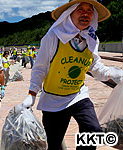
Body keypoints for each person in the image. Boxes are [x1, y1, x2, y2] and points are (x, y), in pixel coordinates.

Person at [21, 1, 123, 149]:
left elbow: (94, 66)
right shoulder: (52, 37)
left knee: (93, 132)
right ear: (70, 13)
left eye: (89, 10)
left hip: (77, 95)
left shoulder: (92, 38)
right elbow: (39, 68)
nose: (85, 13)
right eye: (80, 9)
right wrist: (32, 93)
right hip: (53, 100)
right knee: (55, 144)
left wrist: (113, 73)